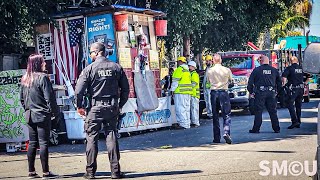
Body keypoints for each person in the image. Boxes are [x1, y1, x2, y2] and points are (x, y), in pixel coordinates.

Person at [75, 42, 129, 179]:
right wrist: (119, 104)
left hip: (95, 108)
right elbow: (126, 90)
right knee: (111, 136)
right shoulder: (116, 67)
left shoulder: (89, 69)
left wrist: (79, 106)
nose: (90, 55)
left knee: (91, 137)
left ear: (97, 52)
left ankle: (90, 172)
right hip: (112, 107)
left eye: (91, 52)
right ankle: (115, 172)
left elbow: (78, 91)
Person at [20, 54, 59, 179]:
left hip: (29, 115)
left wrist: (27, 109)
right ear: (38, 63)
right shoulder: (43, 78)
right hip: (42, 115)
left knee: (32, 143)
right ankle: (46, 172)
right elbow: (50, 98)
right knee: (43, 143)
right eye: (43, 62)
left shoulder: (25, 78)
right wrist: (55, 112)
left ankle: (31, 171)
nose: (45, 64)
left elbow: (21, 99)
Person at [248, 55, 282, 133]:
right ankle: (276, 128)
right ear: (268, 61)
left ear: (260, 61)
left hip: (260, 93)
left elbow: (250, 83)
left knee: (258, 111)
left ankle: (256, 129)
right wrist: (277, 91)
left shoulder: (257, 70)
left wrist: (251, 92)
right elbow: (279, 82)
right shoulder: (274, 70)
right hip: (271, 92)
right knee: (273, 111)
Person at [206, 54, 233, 144]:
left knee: (215, 115)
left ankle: (216, 138)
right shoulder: (226, 70)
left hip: (214, 93)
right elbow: (231, 81)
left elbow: (208, 82)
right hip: (224, 93)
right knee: (226, 115)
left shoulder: (209, 71)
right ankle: (226, 132)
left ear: (213, 61)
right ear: (220, 60)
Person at [282, 56, 308, 129]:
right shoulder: (302, 68)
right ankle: (298, 122)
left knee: (290, 104)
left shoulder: (289, 68)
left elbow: (284, 77)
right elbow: (309, 77)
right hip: (301, 89)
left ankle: (294, 121)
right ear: (297, 61)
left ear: (290, 61)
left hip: (293, 89)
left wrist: (283, 85)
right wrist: (305, 84)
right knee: (298, 105)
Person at [171, 56, 192, 129]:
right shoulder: (188, 71)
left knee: (180, 108)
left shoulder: (179, 70)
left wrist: (172, 90)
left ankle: (182, 124)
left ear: (180, 62)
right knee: (186, 108)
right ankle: (187, 123)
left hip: (180, 92)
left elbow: (175, 81)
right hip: (188, 92)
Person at [188, 61, 200, 127]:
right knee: (193, 109)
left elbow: (194, 84)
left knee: (194, 109)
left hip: (194, 94)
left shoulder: (194, 74)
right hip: (192, 94)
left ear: (192, 67)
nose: (188, 67)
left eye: (189, 66)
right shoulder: (191, 74)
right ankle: (194, 121)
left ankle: (196, 122)